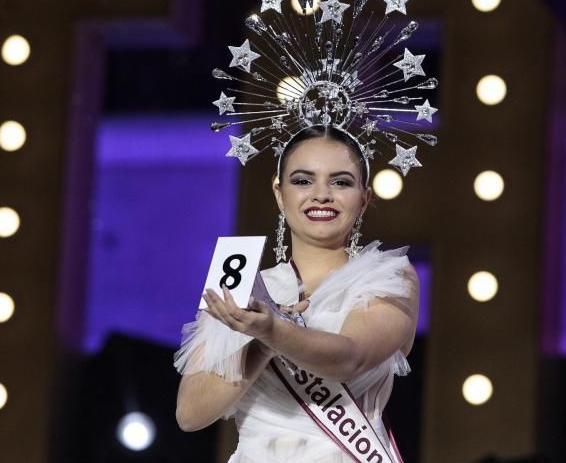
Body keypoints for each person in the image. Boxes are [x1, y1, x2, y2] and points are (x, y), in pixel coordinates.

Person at [174, 125, 420, 462]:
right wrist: (261, 345)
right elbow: (190, 414)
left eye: (341, 182)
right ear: (279, 193)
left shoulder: (387, 276)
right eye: (303, 181)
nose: (321, 195)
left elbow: (351, 357)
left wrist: (274, 329)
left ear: (364, 198)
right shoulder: (244, 283)